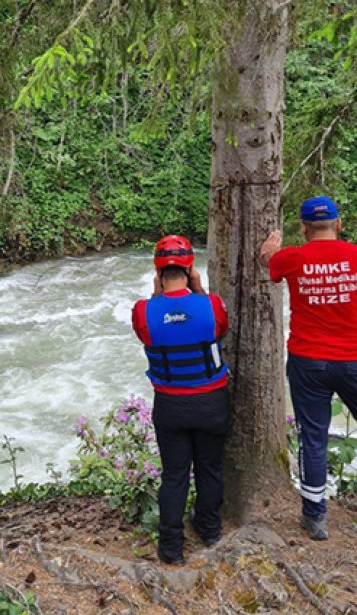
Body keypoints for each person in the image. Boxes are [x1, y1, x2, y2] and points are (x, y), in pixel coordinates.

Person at [260, 195, 357, 541]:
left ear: (303, 228)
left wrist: (269, 252)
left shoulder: (291, 258)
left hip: (308, 362)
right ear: (339, 224)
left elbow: (271, 266)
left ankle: (315, 517)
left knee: (312, 437)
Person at [131, 235, 232, 566]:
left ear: (157, 273)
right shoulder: (211, 304)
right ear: (190, 269)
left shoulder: (143, 312)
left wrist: (158, 291)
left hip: (170, 406)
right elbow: (220, 328)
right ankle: (210, 529)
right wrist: (199, 289)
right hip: (211, 402)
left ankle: (171, 548)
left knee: (174, 475)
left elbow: (148, 329)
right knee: (210, 468)